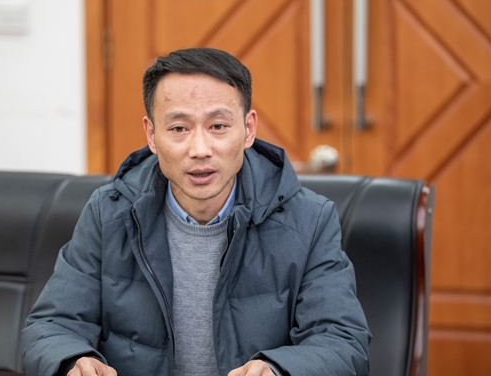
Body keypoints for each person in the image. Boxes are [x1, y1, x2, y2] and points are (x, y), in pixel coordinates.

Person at [21, 47, 370, 376]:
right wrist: (72, 360)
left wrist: (280, 368)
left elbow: (342, 341)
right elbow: (52, 325)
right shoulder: (109, 213)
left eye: (218, 126)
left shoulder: (309, 220)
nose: (200, 149)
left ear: (248, 129)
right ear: (151, 135)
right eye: (179, 128)